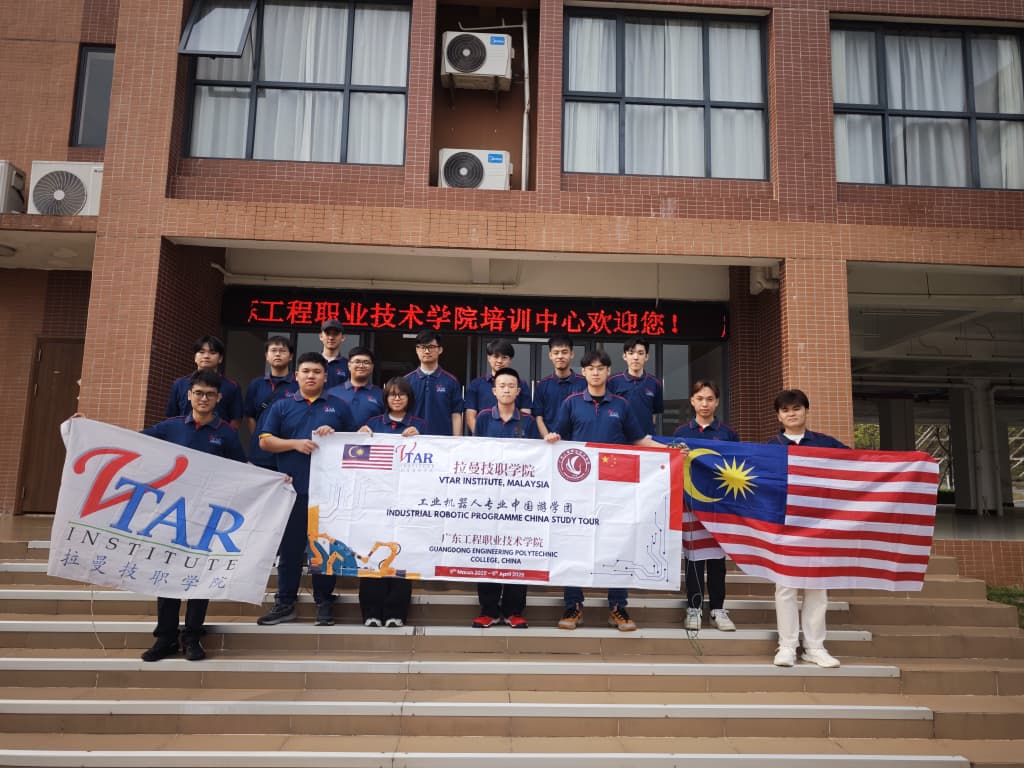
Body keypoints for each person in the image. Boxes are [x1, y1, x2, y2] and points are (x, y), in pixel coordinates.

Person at [544, 349, 674, 632]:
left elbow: (639, 440)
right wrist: (552, 437)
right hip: (578, 488)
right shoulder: (571, 403)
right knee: (574, 543)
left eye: (600, 368)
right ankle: (573, 605)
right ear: (584, 372)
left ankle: (618, 606)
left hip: (615, 487)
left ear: (607, 372)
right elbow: (559, 438)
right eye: (590, 368)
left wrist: (671, 452)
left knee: (618, 544)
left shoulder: (621, 405)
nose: (595, 373)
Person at [141, 370, 247, 662]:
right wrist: (88, 428)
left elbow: (242, 472)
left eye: (210, 394)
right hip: (171, 514)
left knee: (199, 576)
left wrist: (275, 482)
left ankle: (192, 637)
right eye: (198, 393)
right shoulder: (171, 427)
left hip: (206, 517)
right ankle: (165, 638)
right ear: (188, 395)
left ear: (219, 398)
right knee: (167, 575)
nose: (203, 399)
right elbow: (132, 442)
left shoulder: (226, 433)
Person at [257, 352, 356, 627]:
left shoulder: (338, 407)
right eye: (306, 371)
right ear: (296, 375)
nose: (311, 376)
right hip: (293, 489)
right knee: (290, 550)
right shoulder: (282, 406)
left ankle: (324, 602)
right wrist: (295, 444)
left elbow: (355, 443)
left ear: (325, 376)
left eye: (316, 371)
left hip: (329, 492)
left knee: (325, 548)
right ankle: (285, 602)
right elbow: (265, 441)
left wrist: (336, 435)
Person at [768, 388, 847, 669]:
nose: (791, 414)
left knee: (817, 587)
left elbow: (859, 466)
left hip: (819, 524)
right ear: (779, 416)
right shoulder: (770, 448)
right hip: (785, 524)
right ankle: (787, 646)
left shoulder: (827, 444)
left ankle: (814, 647)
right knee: (786, 587)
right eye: (785, 410)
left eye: (796, 408)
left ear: (806, 411)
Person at [470, 367, 541, 629]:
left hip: (518, 500)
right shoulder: (483, 418)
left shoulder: (528, 422)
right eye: (502, 386)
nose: (507, 390)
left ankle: (514, 610)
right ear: (494, 390)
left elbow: (538, 458)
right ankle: (488, 610)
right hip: (488, 498)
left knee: (517, 553)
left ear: (518, 391)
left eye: (512, 386)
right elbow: (475, 453)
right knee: (487, 552)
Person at [672, 380, 741, 633]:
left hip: (718, 506)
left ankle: (718, 609)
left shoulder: (728, 433)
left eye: (710, 399)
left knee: (716, 562)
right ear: (692, 401)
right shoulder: (681, 433)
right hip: (691, 505)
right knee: (693, 559)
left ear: (717, 402)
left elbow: (738, 468)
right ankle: (694, 607)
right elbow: (672, 467)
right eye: (700, 399)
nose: (705, 404)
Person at [357, 377, 424, 626]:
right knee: (372, 553)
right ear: (385, 399)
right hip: (374, 502)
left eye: (401, 394)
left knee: (401, 555)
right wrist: (359, 437)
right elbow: (355, 457)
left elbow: (435, 457)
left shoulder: (420, 425)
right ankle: (371, 612)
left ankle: (396, 612)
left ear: (409, 398)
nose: (397, 398)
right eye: (392, 394)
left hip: (406, 501)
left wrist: (422, 439)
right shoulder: (373, 424)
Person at [244, 336, 298, 471]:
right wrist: (261, 437)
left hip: (289, 452)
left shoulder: (298, 384)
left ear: (291, 356)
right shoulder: (256, 384)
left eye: (282, 351)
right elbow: (250, 417)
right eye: (273, 350)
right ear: (266, 356)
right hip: (260, 454)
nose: (278, 354)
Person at [166, 335, 243, 428]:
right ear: (195, 357)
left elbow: (236, 420)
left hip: (216, 436)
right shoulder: (180, 384)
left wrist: (223, 435)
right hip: (183, 435)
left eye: (212, 352)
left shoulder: (232, 386)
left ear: (220, 358)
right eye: (201, 352)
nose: (206, 356)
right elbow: (171, 416)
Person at [404, 329, 464, 436]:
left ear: (440, 350)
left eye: (431, 347)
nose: (427, 351)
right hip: (412, 440)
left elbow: (456, 414)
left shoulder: (451, 381)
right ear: (417, 350)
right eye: (423, 347)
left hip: (442, 441)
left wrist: (457, 442)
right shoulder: (406, 381)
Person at [464, 340, 532, 433]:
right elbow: (470, 416)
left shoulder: (521, 384)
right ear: (489, 358)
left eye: (504, 357)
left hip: (514, 437)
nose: (500, 361)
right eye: (496, 356)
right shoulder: (476, 384)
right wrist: (481, 437)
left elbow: (525, 414)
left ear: (510, 360)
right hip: (484, 438)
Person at [532, 333, 586, 437]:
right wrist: (547, 437)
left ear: (572, 354)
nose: (560, 356)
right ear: (550, 355)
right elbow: (538, 417)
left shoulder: (584, 384)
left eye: (564, 352)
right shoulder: (542, 385)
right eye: (556, 353)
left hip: (577, 441)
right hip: (550, 441)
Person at [608, 336, 664, 431]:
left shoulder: (655, 383)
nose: (636, 357)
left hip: (645, 436)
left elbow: (654, 413)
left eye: (640, 353)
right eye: (631, 353)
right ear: (625, 356)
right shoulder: (612, 381)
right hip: (619, 435)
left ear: (646, 357)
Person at [327, 346, 385, 428]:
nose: (361, 366)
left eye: (366, 362)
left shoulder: (381, 394)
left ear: (372, 367)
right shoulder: (332, 393)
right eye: (357, 362)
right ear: (349, 365)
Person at [319, 319, 349, 389]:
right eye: (327, 334)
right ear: (321, 337)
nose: (331, 338)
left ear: (343, 338)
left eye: (335, 334)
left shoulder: (349, 365)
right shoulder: (312, 362)